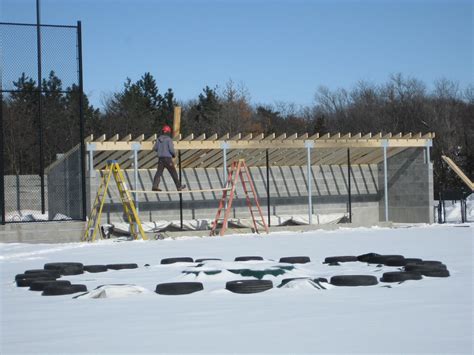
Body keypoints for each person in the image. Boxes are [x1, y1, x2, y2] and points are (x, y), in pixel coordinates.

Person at [152, 125, 186, 191]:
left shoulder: (158, 139)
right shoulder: (169, 139)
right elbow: (171, 149)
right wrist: (174, 155)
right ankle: (179, 186)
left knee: (158, 173)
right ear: (168, 132)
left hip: (161, 159)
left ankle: (155, 186)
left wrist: (160, 150)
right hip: (168, 159)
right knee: (173, 172)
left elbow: (155, 148)